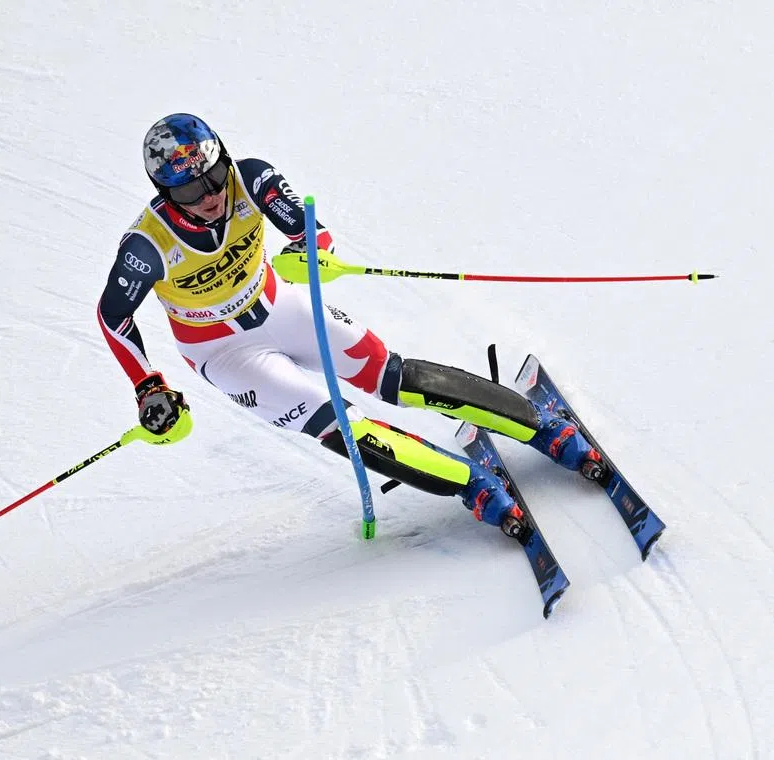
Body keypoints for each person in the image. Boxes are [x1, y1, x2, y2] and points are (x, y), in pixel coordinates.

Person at [97, 113, 608, 538]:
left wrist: (310, 250)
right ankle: (470, 486)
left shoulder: (249, 179)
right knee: (338, 423)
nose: (209, 195)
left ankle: (544, 428)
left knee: (387, 373)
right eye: (189, 188)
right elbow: (112, 315)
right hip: (226, 354)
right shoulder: (148, 246)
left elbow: (311, 229)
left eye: (212, 176)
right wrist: (148, 387)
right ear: (165, 191)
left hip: (280, 306)